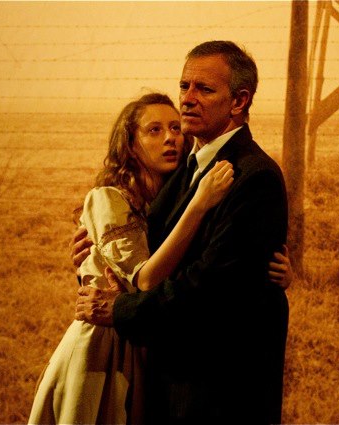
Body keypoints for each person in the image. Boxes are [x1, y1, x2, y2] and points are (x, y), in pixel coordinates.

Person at [75, 41, 289, 424]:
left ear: (239, 101)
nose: (188, 99)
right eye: (184, 86)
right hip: (170, 387)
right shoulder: (186, 167)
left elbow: (209, 292)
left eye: (204, 89)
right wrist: (93, 256)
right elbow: (146, 249)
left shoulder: (253, 178)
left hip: (218, 399)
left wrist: (120, 309)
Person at [29, 93, 236, 425]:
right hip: (103, 349)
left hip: (148, 345)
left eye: (175, 128)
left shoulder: (167, 202)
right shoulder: (107, 199)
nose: (170, 138)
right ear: (130, 144)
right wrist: (200, 204)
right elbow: (145, 278)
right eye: (154, 130)